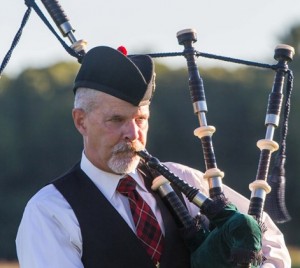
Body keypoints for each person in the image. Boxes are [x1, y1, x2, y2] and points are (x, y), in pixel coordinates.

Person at [16, 46, 291, 268]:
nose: (132, 133)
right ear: (81, 121)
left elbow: (271, 242)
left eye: (141, 118)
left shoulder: (185, 180)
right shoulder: (50, 212)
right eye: (117, 119)